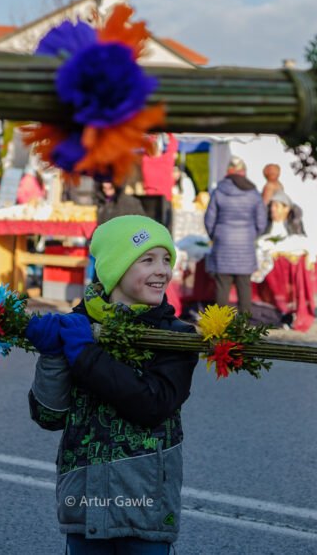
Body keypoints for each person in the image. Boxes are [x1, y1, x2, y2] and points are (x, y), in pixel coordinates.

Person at [24, 215, 197, 553]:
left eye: (166, 259)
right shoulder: (78, 326)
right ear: (115, 269)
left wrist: (85, 356)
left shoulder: (175, 337)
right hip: (84, 498)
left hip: (145, 501)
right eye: (147, 260)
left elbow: (152, 405)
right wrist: (52, 357)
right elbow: (49, 417)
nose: (163, 269)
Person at [205, 156, 268, 315]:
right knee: (244, 285)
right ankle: (244, 325)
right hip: (245, 243)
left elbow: (209, 219)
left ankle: (219, 324)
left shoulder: (219, 190)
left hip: (223, 242)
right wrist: (251, 235)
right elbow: (262, 221)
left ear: (228, 172)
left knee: (222, 286)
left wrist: (215, 236)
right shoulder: (253, 193)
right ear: (243, 172)